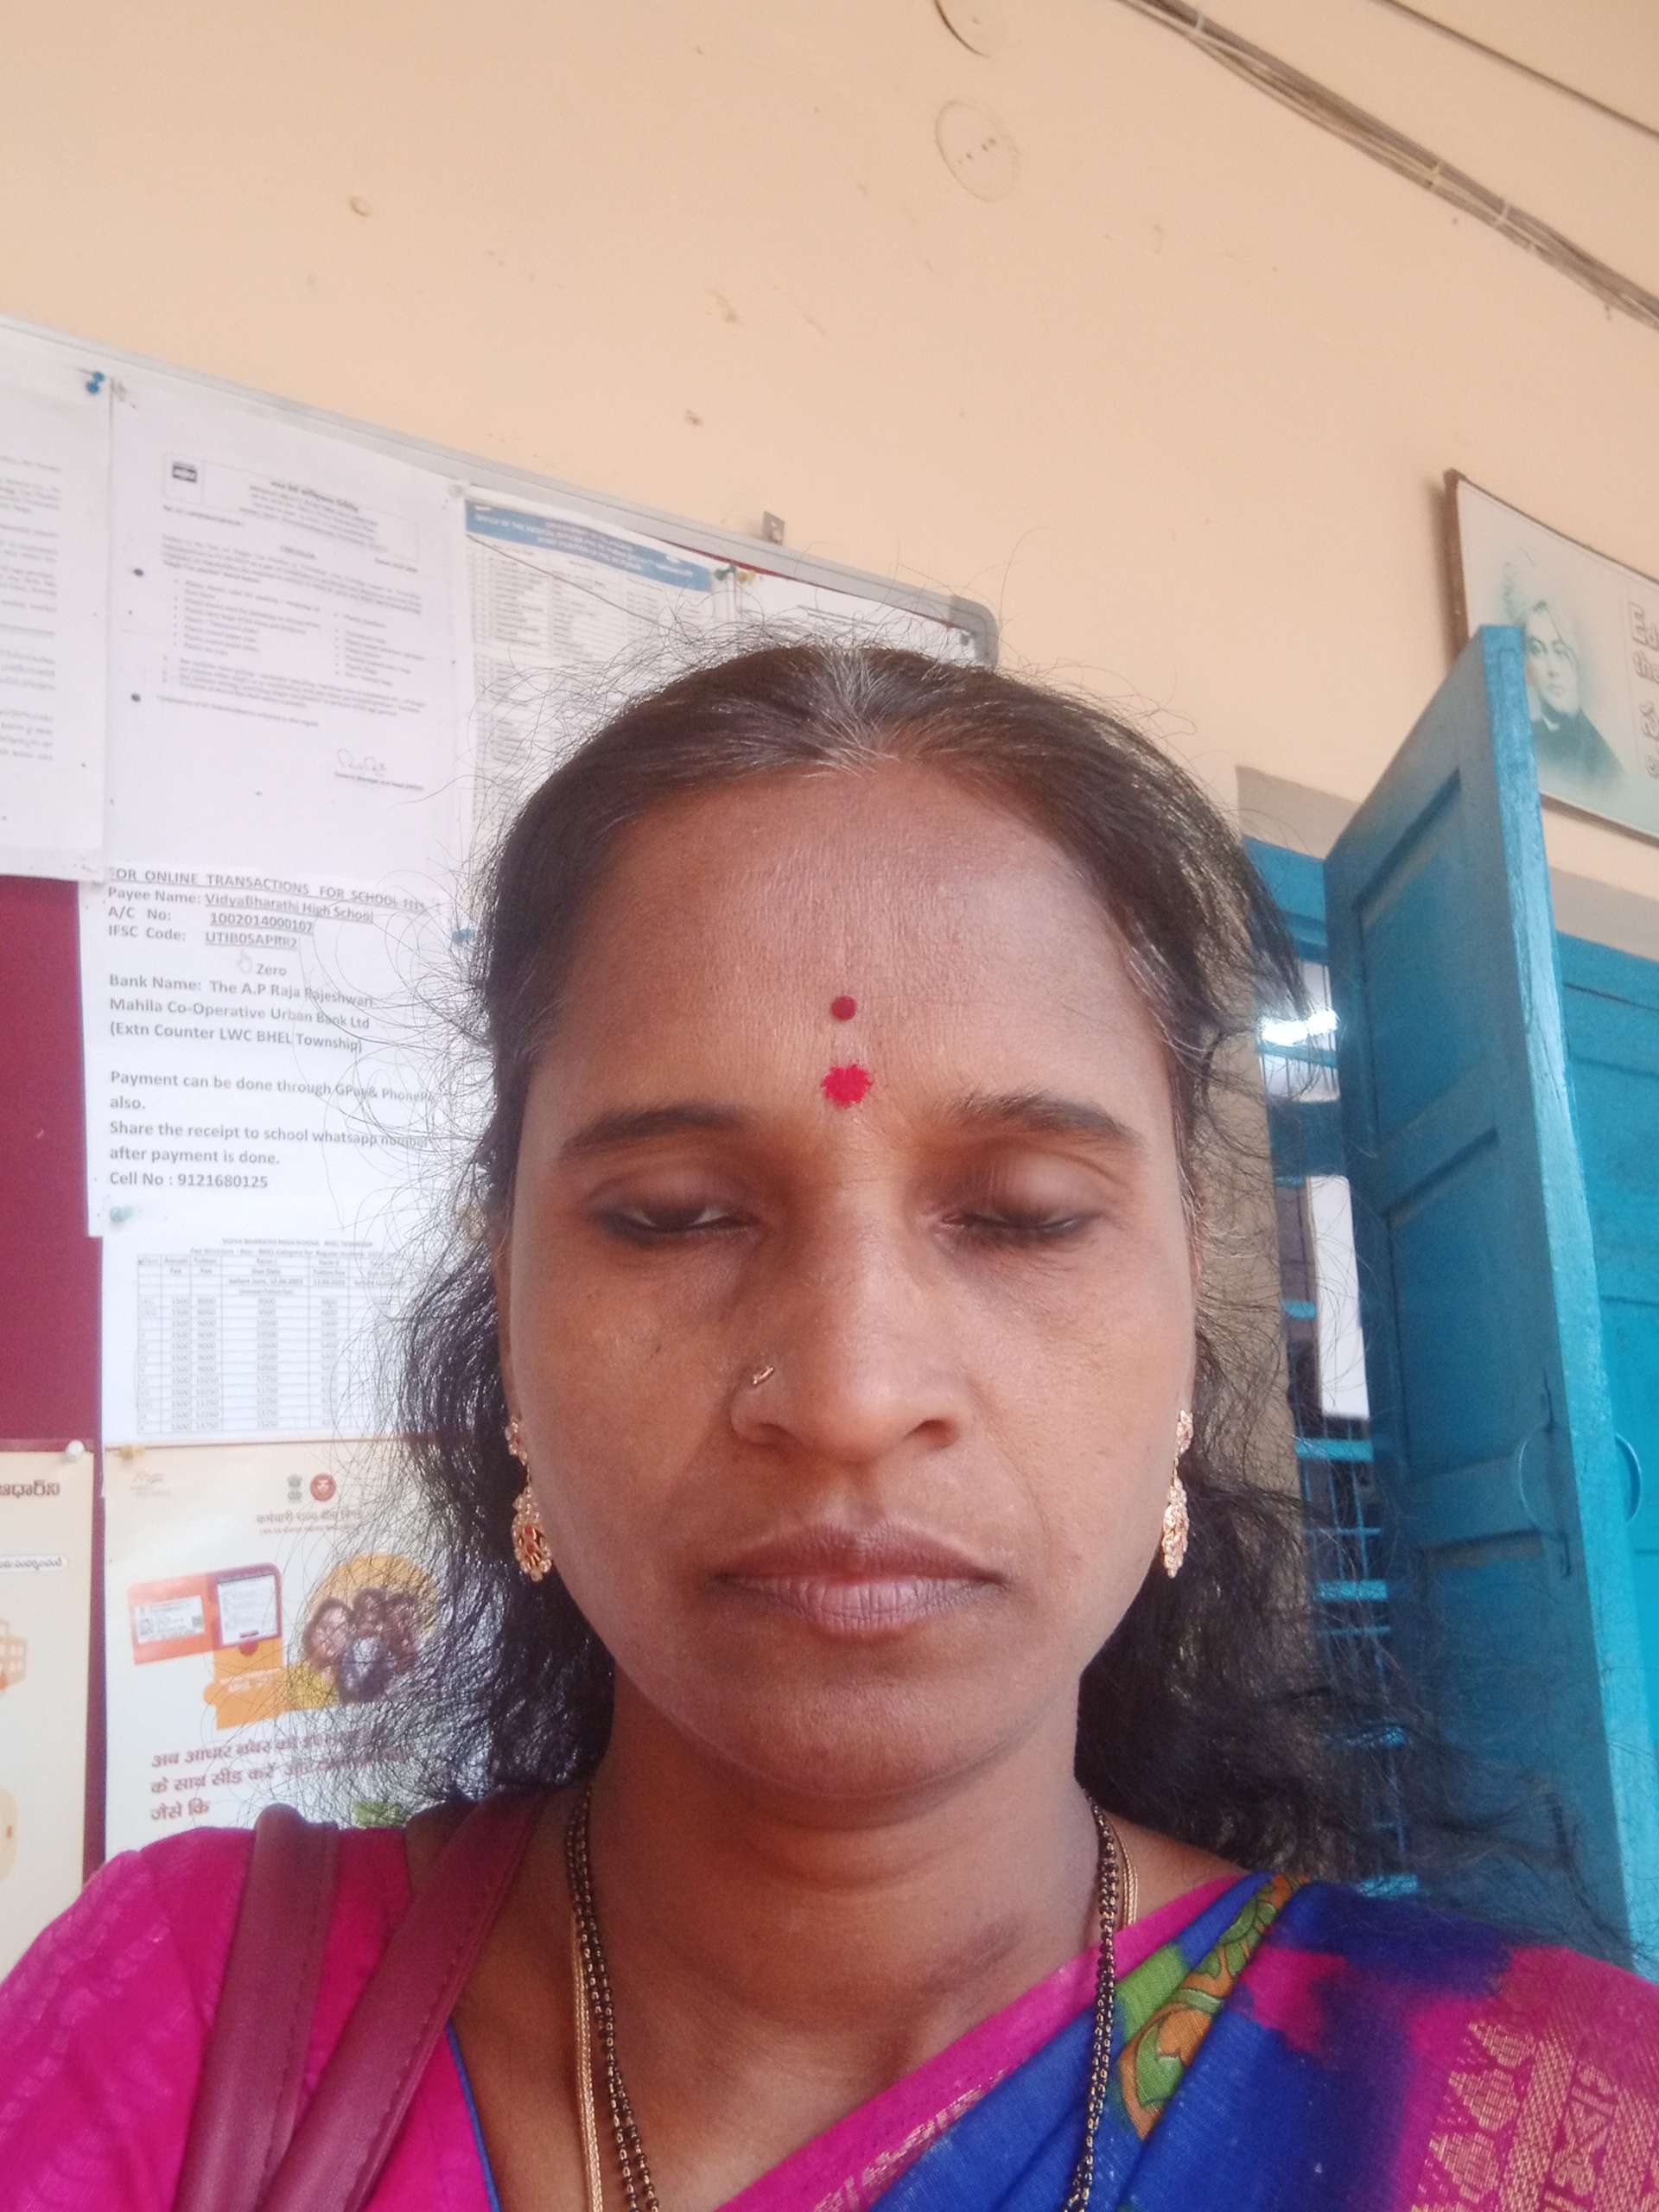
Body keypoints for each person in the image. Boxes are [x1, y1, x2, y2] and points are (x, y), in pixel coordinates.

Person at [3, 643, 1656, 2209]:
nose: (855, 1394)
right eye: (672, 1215)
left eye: (1020, 1215)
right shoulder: (185, 2023)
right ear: (507, 1302)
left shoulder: (1543, 2130)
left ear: (1185, 1296)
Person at [1501, 565, 1624, 789]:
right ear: (1526, 666)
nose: (1552, 669)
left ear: (1576, 658)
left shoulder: (1604, 767)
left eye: (1559, 652)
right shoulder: (1517, 742)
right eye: (1538, 651)